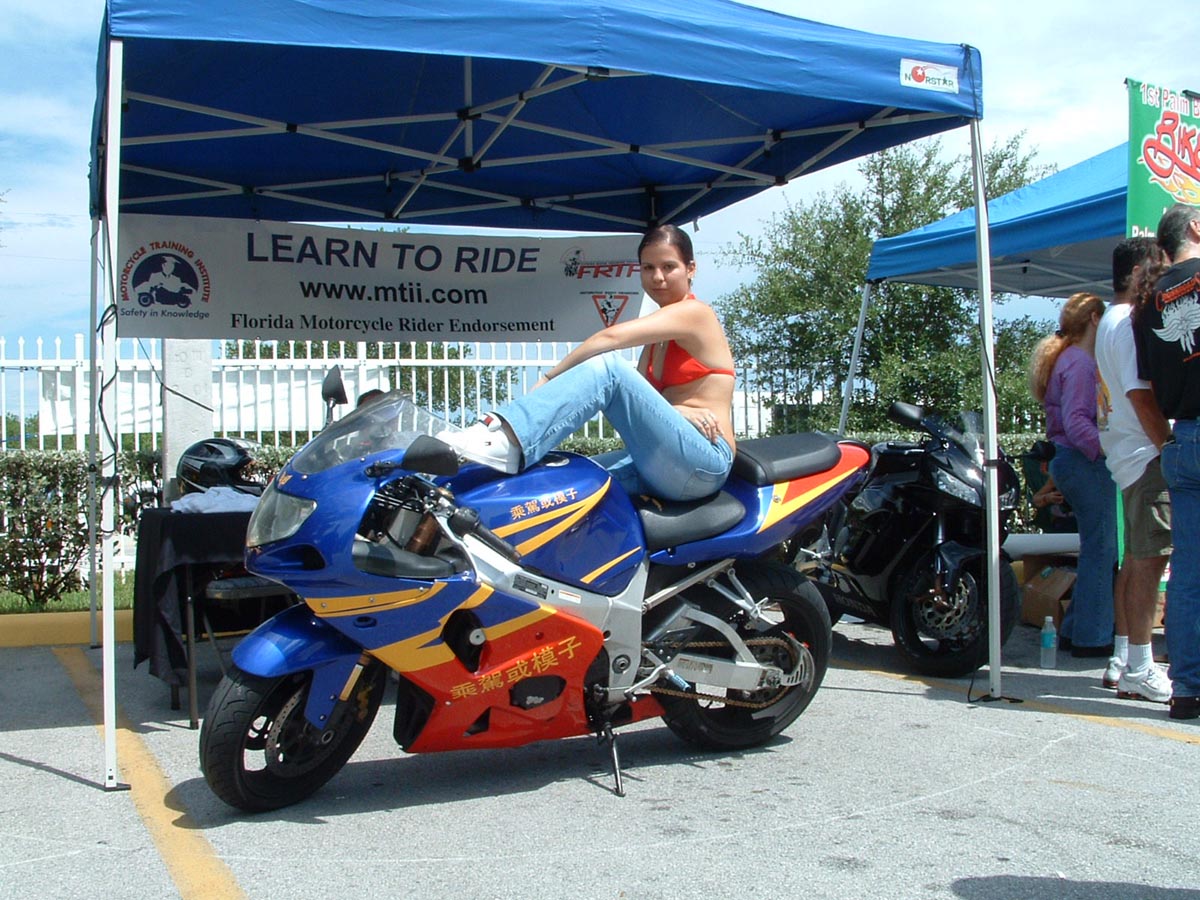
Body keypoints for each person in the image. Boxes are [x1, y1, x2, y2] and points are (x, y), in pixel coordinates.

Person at [438, 224, 736, 502]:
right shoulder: (657, 339)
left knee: (609, 368)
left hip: (705, 461)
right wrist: (680, 411)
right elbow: (645, 406)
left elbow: (610, 338)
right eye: (648, 268)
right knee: (562, 480)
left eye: (668, 267)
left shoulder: (696, 314)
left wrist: (550, 378)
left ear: (690, 269)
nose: (658, 277)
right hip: (662, 462)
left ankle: (509, 438)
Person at [1094, 238, 1172, 702]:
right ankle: (1140, 666)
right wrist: (1169, 446)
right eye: (1159, 268)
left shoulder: (1111, 319)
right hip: (1144, 453)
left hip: (1129, 453)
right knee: (1149, 560)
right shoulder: (1126, 323)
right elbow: (1139, 394)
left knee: (1137, 559)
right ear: (1140, 271)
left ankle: (1125, 659)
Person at [1132, 203, 1200, 721]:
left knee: (1188, 574)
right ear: (1196, 228)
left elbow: (1147, 390)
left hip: (1184, 439)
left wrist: (1170, 444)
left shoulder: (1146, 304)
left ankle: (1188, 688)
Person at [1028, 292, 1117, 657]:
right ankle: (1092, 637)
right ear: (1095, 318)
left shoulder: (1065, 358)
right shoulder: (1080, 362)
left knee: (1094, 547)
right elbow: (1077, 421)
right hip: (1084, 461)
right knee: (1102, 549)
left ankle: (1076, 629)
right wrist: (1108, 450)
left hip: (1065, 460)